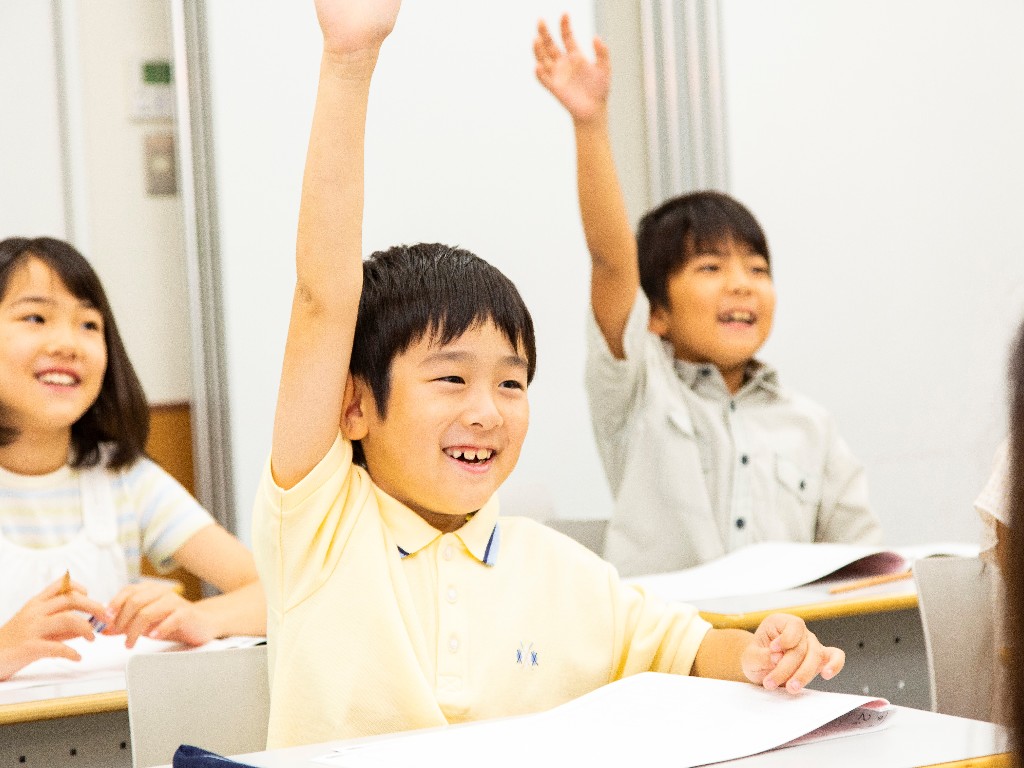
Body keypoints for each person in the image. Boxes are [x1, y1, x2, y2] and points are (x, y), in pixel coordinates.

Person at [253, 0, 844, 749]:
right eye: (450, 379)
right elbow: (320, 302)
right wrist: (349, 61)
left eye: (510, 382)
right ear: (354, 406)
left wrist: (762, 649)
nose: (488, 411)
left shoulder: (562, 572)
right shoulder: (319, 528)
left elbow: (690, 650)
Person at [532, 16, 883, 576]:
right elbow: (612, 262)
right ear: (657, 315)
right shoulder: (639, 391)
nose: (741, 283)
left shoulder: (810, 426)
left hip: (783, 656)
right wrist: (590, 124)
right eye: (710, 266)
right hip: (670, 648)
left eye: (757, 268)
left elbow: (865, 567)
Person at [0, 236, 265, 682]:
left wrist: (206, 616)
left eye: (89, 324)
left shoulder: (126, 479)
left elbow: (279, 593)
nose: (69, 343)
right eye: (36, 317)